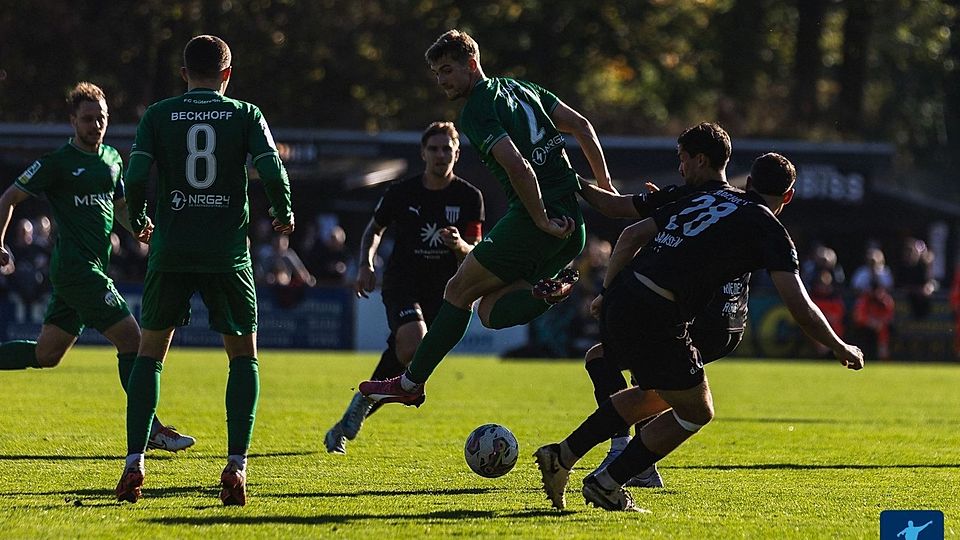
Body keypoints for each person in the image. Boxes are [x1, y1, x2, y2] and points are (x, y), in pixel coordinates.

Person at [534, 153, 864, 511]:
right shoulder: (769, 228)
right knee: (696, 410)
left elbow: (629, 229)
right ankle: (608, 480)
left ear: (748, 182)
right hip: (662, 310)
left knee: (650, 394)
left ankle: (566, 457)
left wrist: (606, 290)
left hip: (628, 295)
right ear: (788, 196)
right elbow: (799, 306)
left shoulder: (707, 195)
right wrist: (839, 345)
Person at [359, 29, 614, 406]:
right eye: (437, 74)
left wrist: (540, 218)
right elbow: (582, 126)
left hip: (534, 224)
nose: (442, 81)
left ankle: (410, 385)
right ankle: (546, 294)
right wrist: (604, 183)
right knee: (491, 311)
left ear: (472, 65)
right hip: (571, 227)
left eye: (448, 70)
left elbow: (518, 165)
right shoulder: (523, 88)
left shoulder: (476, 108)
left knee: (457, 291)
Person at [115, 35, 294, 506]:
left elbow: (134, 178)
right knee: (243, 359)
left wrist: (139, 220)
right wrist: (283, 211)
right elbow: (272, 170)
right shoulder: (246, 114)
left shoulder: (158, 115)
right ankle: (236, 466)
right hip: (226, 254)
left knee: (150, 356)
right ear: (228, 75)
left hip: (171, 250)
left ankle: (135, 461)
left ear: (183, 72)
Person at [0, 82, 194, 453]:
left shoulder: (111, 159)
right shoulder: (57, 163)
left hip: (90, 269)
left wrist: (140, 228)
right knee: (134, 341)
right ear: (73, 120)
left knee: (47, 354)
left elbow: (119, 205)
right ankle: (152, 428)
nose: (95, 125)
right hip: (77, 270)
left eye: (101, 118)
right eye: (87, 119)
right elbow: (10, 196)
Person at [575, 122, 750, 488]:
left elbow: (619, 216)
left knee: (629, 370)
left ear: (700, 160)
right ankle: (633, 460)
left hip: (697, 318)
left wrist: (570, 181)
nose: (681, 167)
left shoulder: (686, 198)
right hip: (728, 322)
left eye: (683, 159)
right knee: (620, 367)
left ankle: (630, 457)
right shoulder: (735, 203)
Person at [325, 121, 484, 454]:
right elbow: (374, 229)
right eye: (434, 149)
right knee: (414, 345)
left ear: (457, 153)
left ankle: (362, 403)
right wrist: (366, 264)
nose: (441, 155)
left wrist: (458, 246)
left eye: (447, 149)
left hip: (446, 291)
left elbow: (476, 250)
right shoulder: (402, 191)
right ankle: (365, 400)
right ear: (422, 153)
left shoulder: (469, 197)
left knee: (402, 357)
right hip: (402, 283)